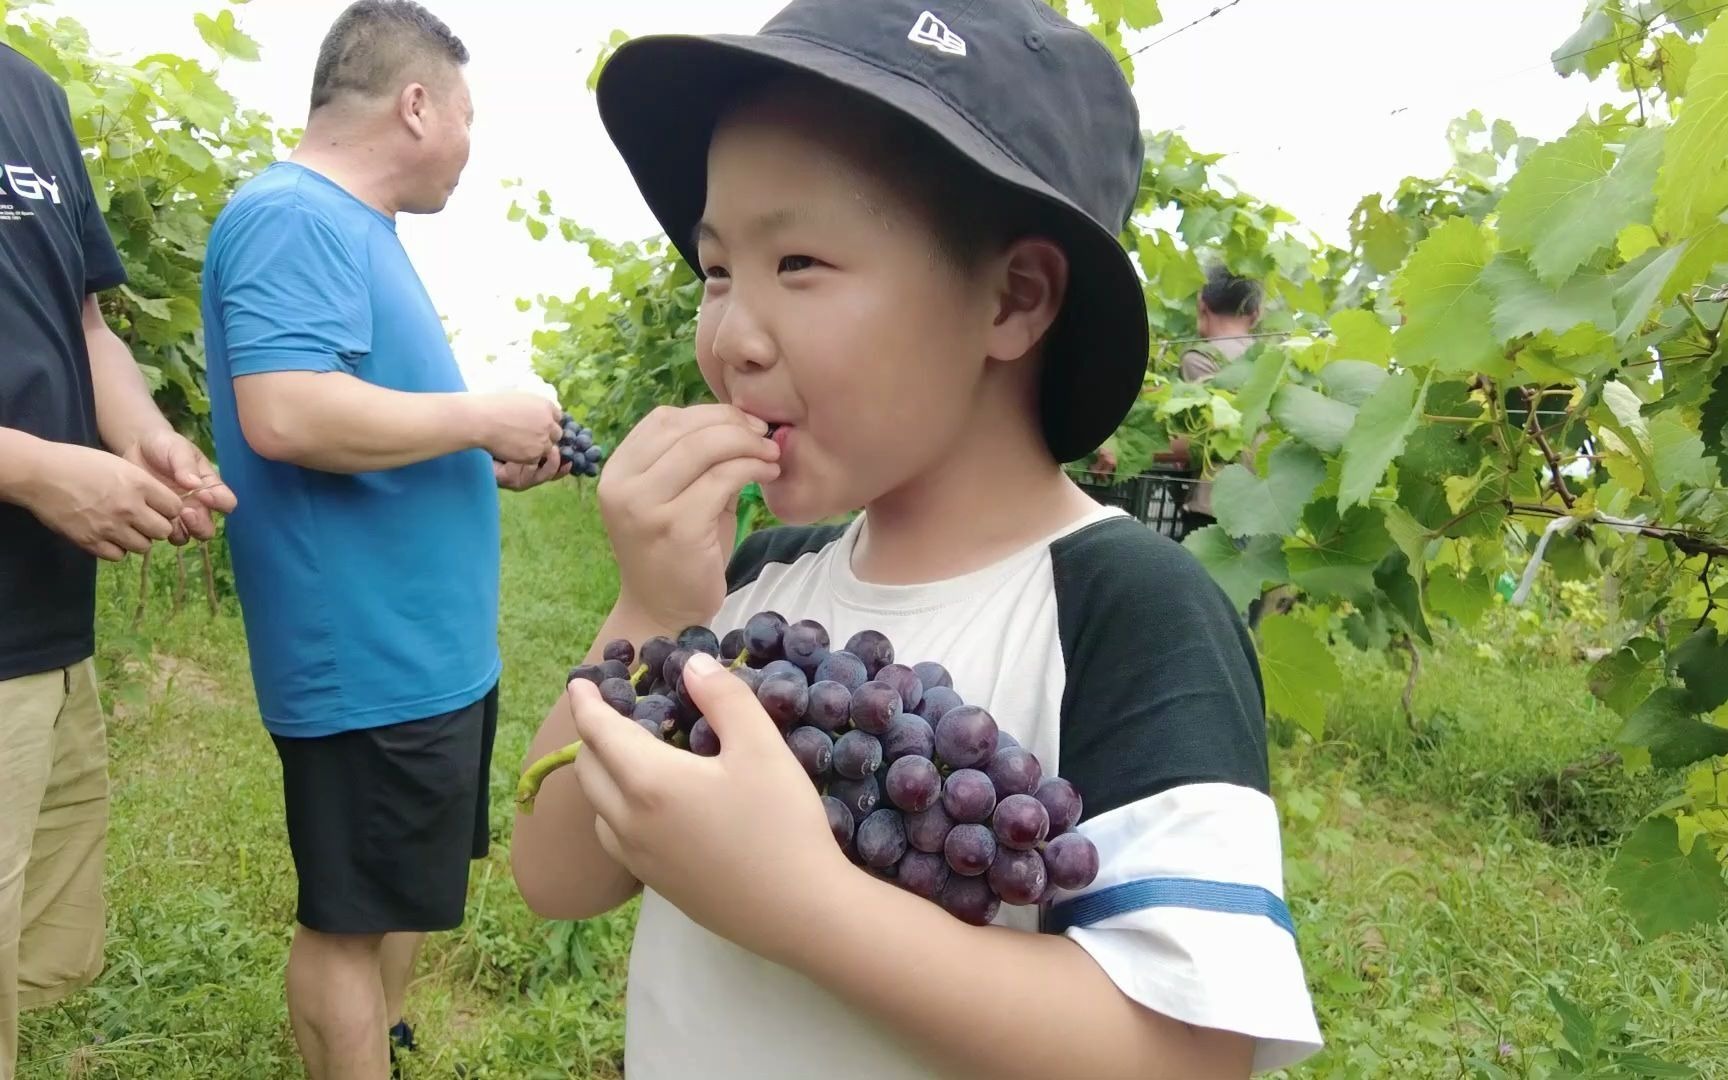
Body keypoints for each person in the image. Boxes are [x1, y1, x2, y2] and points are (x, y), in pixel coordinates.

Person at [510, 2, 1323, 1078]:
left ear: (1014, 300)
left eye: (797, 261)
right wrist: (652, 606)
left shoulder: (1129, 609)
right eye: (716, 271)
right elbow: (556, 875)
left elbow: (1187, 1056)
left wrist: (805, 905)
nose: (731, 339)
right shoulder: (750, 592)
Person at [199, 3, 567, 1076]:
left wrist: (472, 453)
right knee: (346, 921)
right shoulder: (291, 215)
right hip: (364, 657)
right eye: (465, 115)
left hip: (425, 653)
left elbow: (364, 416)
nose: (467, 142)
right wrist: (479, 417)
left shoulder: (358, 230)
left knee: (396, 896)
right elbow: (288, 413)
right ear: (416, 105)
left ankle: (381, 1042)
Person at [0, 42, 234, 1080]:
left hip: (43, 629)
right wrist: (33, 469)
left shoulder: (31, 93)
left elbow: (86, 318)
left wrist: (141, 436)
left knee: (22, 960)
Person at [1172, 264, 1263, 539]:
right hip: (1264, 511)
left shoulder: (1201, 358)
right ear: (1255, 314)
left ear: (1202, 304)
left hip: (1215, 510)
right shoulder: (1276, 360)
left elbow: (1197, 439)